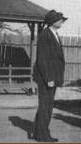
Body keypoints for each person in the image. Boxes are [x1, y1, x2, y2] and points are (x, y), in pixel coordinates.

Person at [32, 9, 67, 142]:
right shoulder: (45, 35)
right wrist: (49, 78)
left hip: (52, 78)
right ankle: (42, 136)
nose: (62, 21)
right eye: (59, 19)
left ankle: (40, 132)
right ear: (52, 22)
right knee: (45, 106)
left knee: (47, 106)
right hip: (47, 79)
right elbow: (42, 60)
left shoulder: (54, 34)